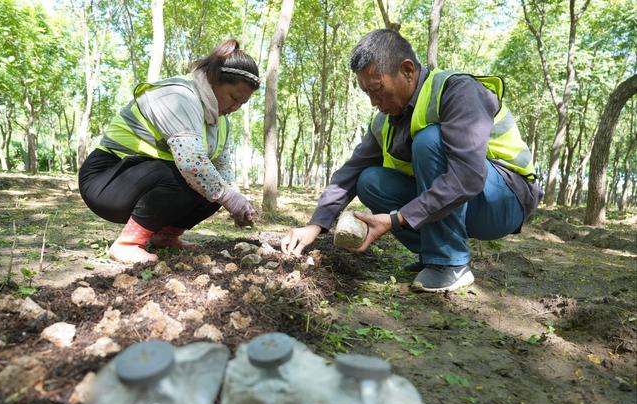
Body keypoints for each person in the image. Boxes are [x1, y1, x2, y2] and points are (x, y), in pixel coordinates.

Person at [281, 29, 543, 293]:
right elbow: (350, 172)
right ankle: (433, 254)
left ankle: (450, 264)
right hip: (465, 204)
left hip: (505, 199)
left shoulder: (457, 91)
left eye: (377, 90)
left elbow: (468, 176)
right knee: (369, 181)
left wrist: (397, 219)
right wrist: (316, 225)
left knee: (429, 139)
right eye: (366, 93)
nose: (374, 102)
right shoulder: (383, 121)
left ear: (407, 70)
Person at [79, 40, 259, 264]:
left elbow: (222, 168)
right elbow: (191, 164)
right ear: (215, 80)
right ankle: (127, 244)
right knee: (192, 176)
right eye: (233, 97)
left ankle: (165, 236)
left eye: (241, 104)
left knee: (215, 186)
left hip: (144, 177)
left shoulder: (221, 122)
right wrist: (229, 197)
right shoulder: (179, 96)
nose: (234, 108)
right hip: (106, 178)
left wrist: (237, 200)